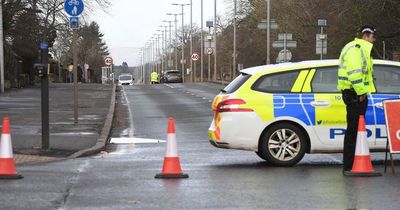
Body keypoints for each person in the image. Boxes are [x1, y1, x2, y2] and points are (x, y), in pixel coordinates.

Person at [337, 25, 376, 176]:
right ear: (366, 36)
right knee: (353, 130)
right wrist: (361, 93)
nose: (374, 40)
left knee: (355, 130)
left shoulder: (359, 48)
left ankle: (353, 162)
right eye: (373, 36)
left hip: (356, 94)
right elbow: (355, 74)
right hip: (355, 95)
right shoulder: (357, 49)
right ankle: (349, 165)